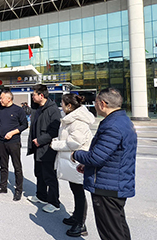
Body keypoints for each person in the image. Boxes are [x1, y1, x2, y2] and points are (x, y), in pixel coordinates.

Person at [72, 88, 137, 240]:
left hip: (107, 187)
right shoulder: (122, 120)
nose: (94, 105)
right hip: (114, 182)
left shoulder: (112, 126)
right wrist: (87, 166)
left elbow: (96, 158)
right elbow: (108, 154)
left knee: (110, 233)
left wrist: (76, 155)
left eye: (95, 102)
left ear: (102, 104)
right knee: (118, 228)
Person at [50, 93, 95, 237]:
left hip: (77, 162)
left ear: (69, 106)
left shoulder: (78, 122)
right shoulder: (72, 119)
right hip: (72, 161)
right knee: (75, 191)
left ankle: (81, 224)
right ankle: (76, 217)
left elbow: (74, 142)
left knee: (79, 193)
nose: (61, 106)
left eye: (62, 104)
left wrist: (56, 144)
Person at [27, 84, 61, 213]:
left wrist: (40, 140)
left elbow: (55, 130)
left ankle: (54, 202)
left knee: (49, 176)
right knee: (39, 173)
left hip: (47, 148)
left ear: (41, 96)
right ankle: (41, 196)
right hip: (37, 147)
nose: (32, 96)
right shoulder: (38, 108)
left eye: (34, 94)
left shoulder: (53, 110)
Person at [0, 89, 28, 201]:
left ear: (9, 98)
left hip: (14, 142)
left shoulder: (18, 110)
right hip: (2, 141)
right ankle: (3, 187)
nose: (0, 100)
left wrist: (13, 132)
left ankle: (18, 190)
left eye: (2, 98)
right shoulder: (0, 110)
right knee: (3, 166)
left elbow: (24, 125)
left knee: (17, 167)